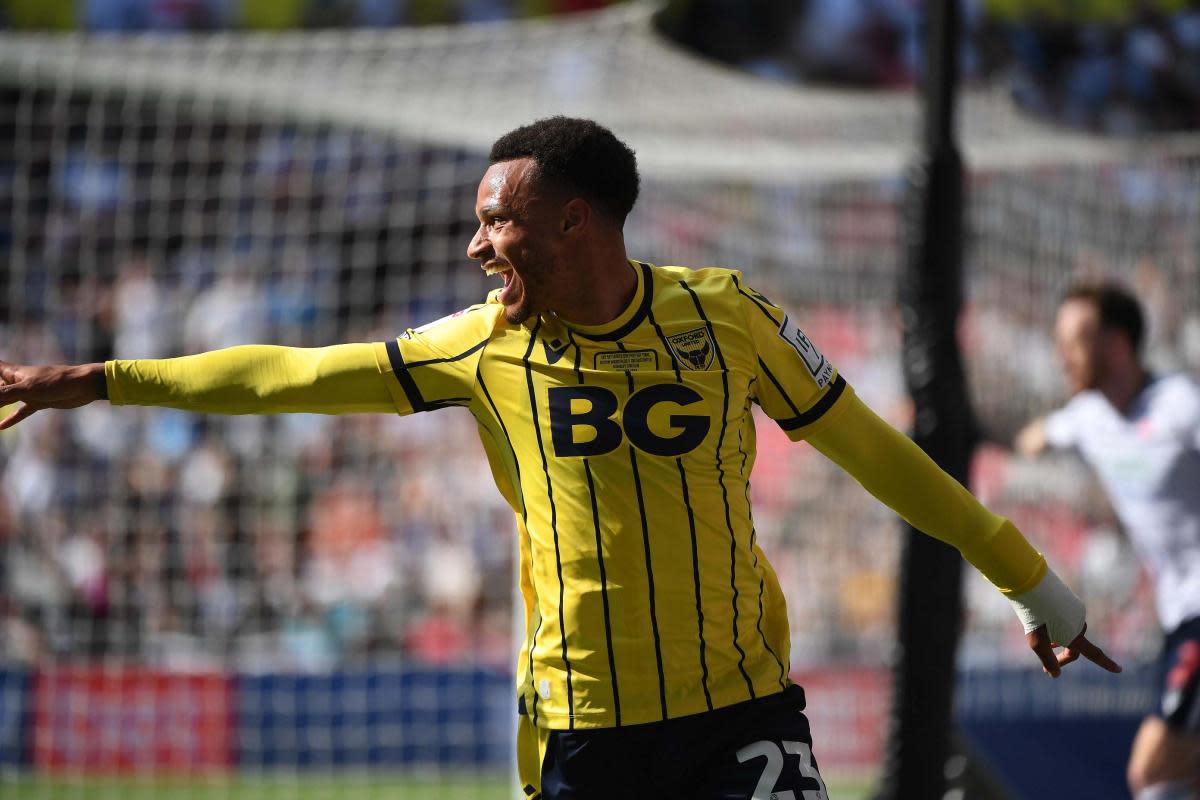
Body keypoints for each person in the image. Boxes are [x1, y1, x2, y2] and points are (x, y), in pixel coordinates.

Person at [1, 116, 1119, 799]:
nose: (477, 243)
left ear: (576, 221)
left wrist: (1032, 575)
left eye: (497, 219)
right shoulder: (479, 349)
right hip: (583, 733)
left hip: (744, 715)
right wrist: (104, 377)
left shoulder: (728, 319)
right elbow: (287, 373)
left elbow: (880, 455)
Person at [1017, 284, 1200, 800]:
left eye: (1075, 339)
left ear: (1118, 344)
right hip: (1179, 616)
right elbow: (1029, 439)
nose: (1061, 356)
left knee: (1153, 771)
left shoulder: (1180, 406)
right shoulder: (1086, 417)